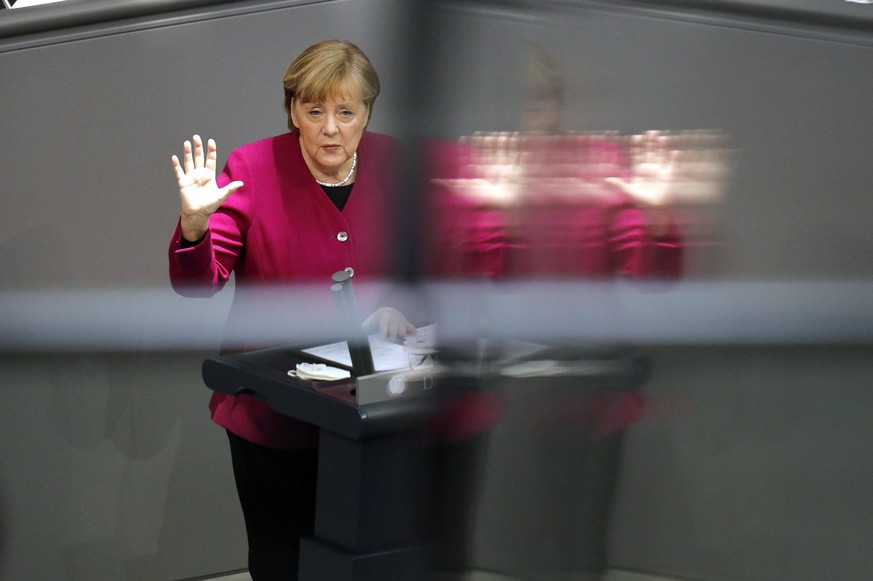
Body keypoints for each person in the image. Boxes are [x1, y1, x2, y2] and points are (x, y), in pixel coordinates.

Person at [167, 39, 415, 580]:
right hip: (274, 412)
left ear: (368, 113)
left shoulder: (396, 164)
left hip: (374, 409)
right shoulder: (251, 168)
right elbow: (200, 283)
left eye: (347, 112)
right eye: (315, 110)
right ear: (293, 111)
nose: (331, 128)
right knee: (283, 560)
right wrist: (194, 227)